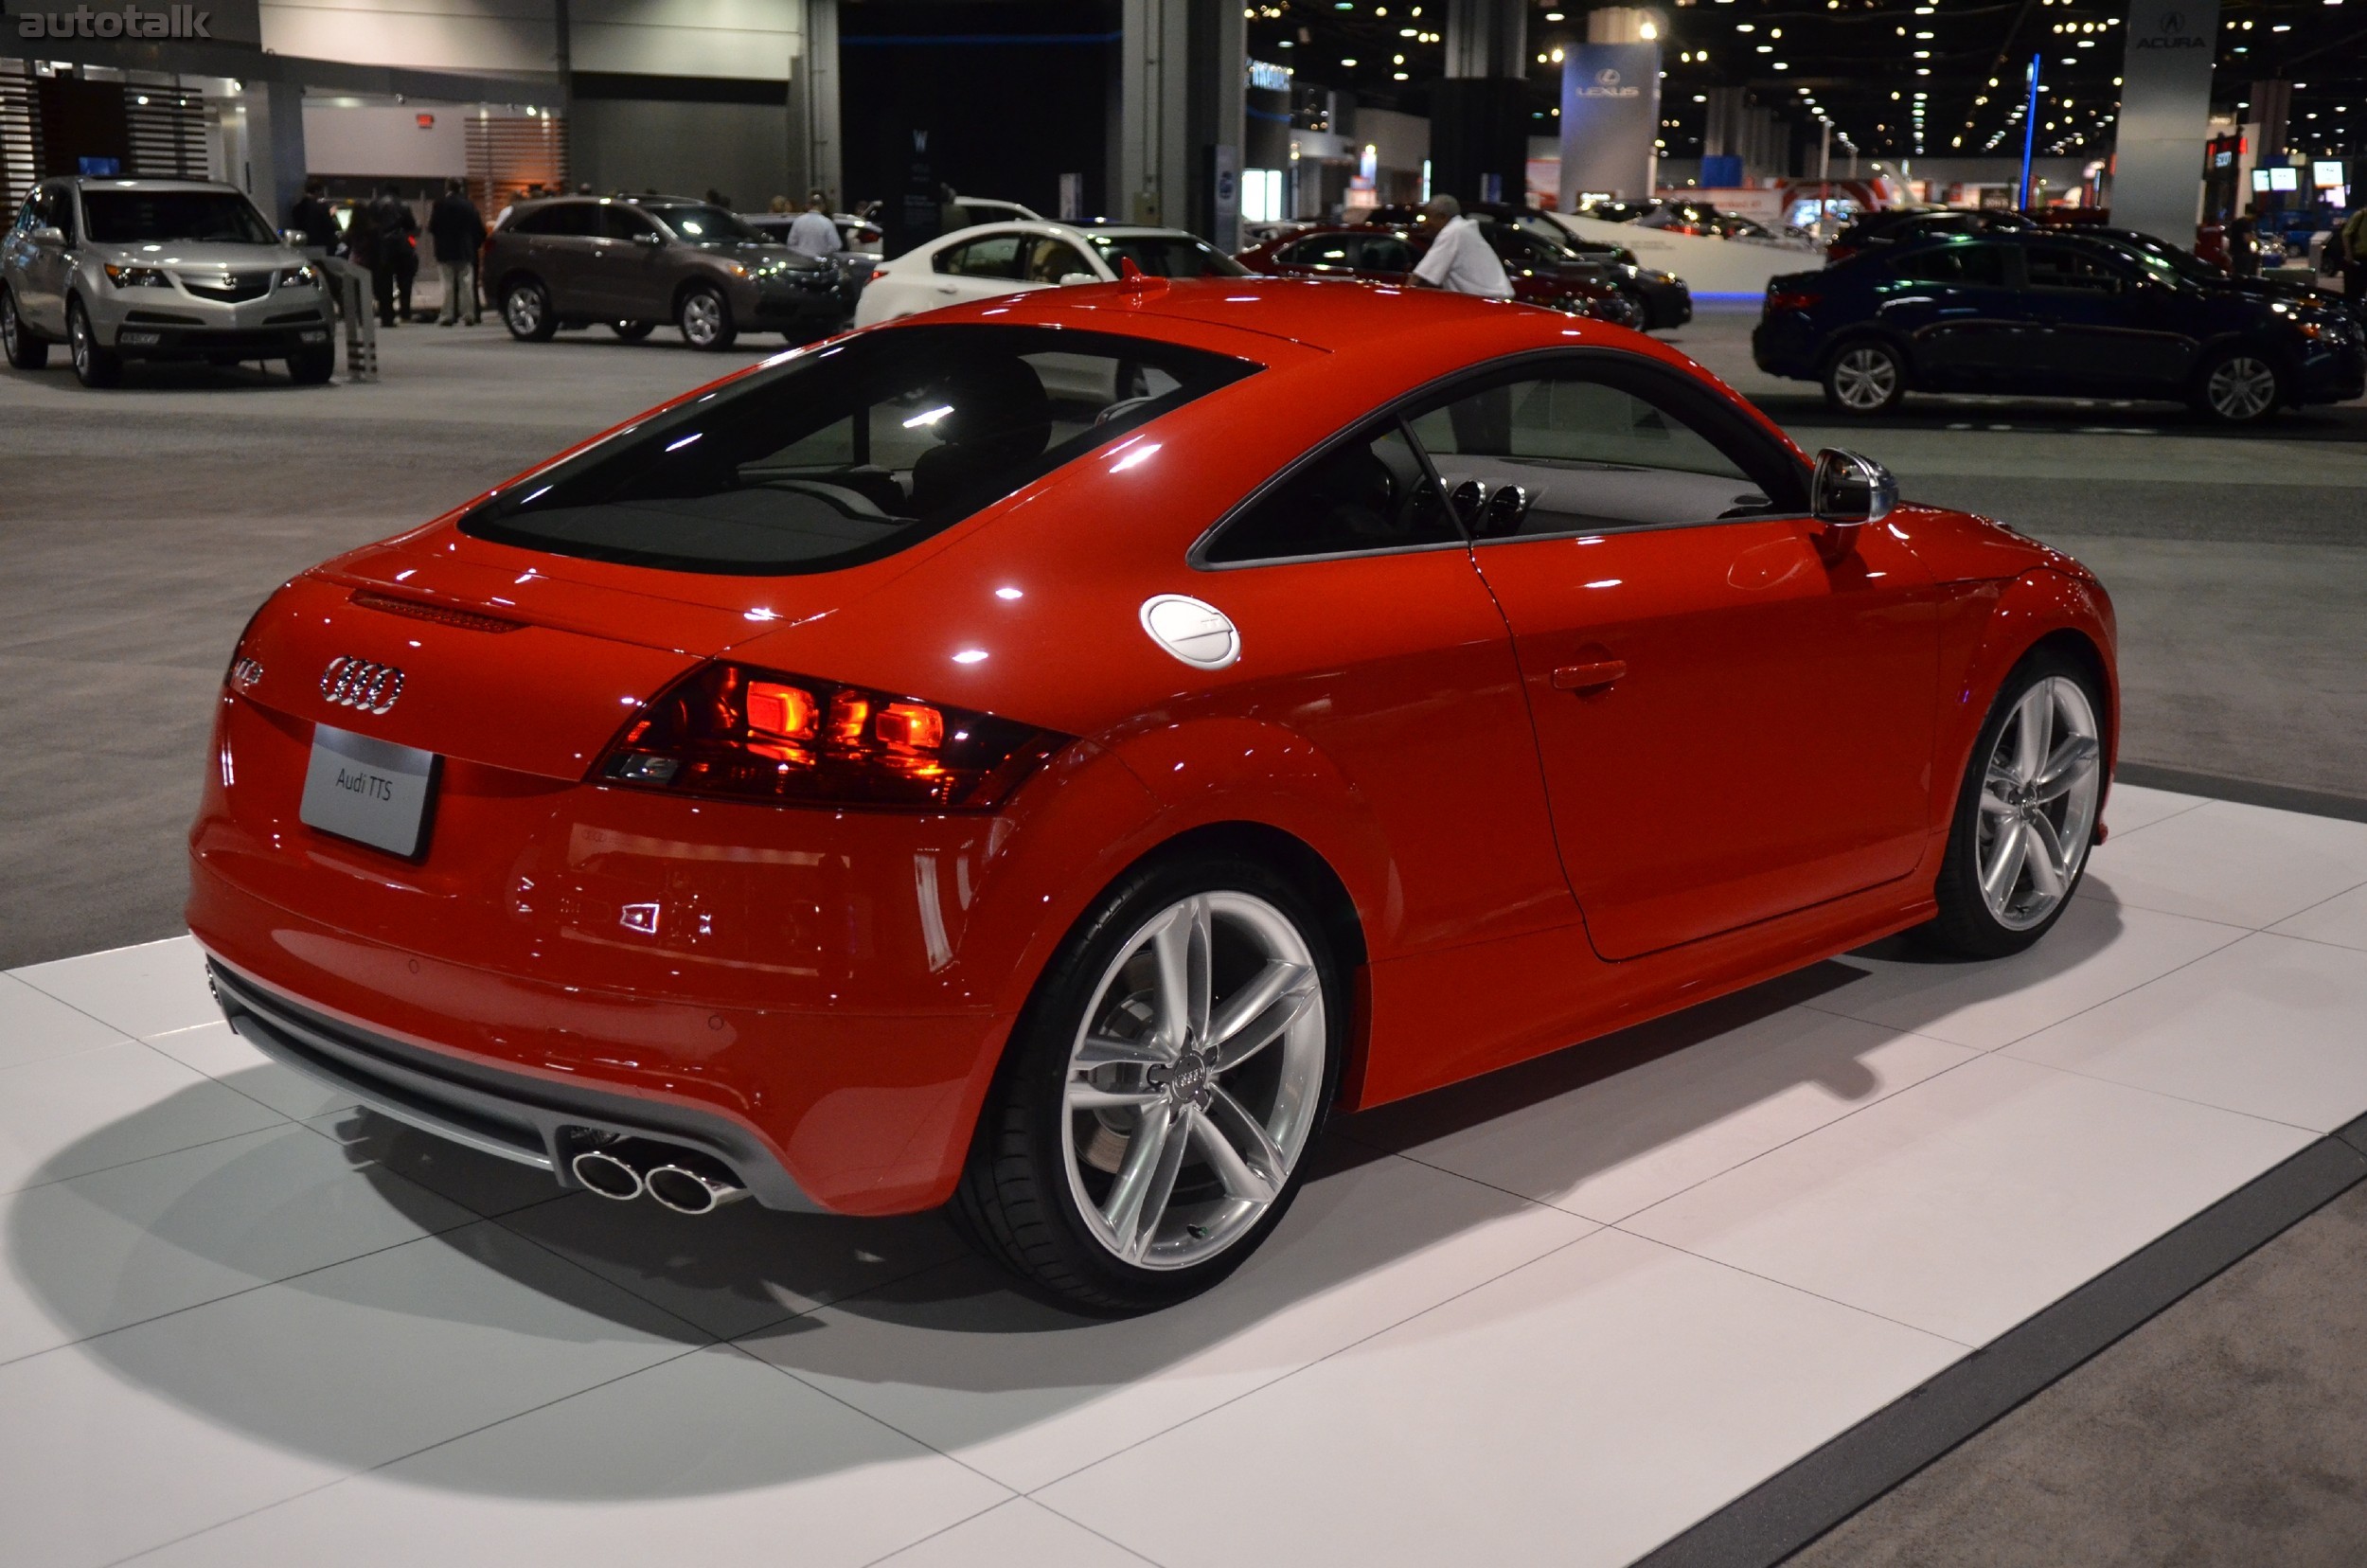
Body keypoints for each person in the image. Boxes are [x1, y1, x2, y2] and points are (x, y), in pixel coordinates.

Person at [1409, 194, 1513, 298]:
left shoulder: (1453, 231)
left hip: (1487, 303)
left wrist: (1406, 299)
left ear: (1442, 217)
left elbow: (1419, 278)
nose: (1424, 224)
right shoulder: (1463, 229)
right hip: (1493, 301)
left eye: (1428, 217)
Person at [428, 178, 485, 327]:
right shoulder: (468, 205)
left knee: (447, 284)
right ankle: (469, 315)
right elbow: (478, 228)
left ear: (447, 188)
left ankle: (447, 315)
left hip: (445, 250)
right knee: (466, 284)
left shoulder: (439, 204)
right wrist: (475, 244)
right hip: (465, 250)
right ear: (461, 188)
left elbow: (432, 227)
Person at [365, 183, 417, 326]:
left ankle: (387, 316)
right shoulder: (404, 205)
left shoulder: (375, 204)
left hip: (382, 247)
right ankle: (405, 313)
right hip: (402, 247)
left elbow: (369, 225)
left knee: (384, 283)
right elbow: (411, 225)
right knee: (405, 282)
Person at [786, 190, 843, 258]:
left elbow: (790, 243)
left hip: (801, 260)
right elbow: (836, 245)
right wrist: (824, 253)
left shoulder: (798, 221)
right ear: (822, 206)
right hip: (819, 260)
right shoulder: (827, 223)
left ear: (808, 206)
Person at [287, 179, 336, 252]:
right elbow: (329, 227)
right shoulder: (321, 208)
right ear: (317, 191)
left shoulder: (297, 208)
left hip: (303, 245)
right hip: (320, 246)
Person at [2338, 202, 2367, 320]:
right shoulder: (2361, 215)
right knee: (2353, 294)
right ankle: (2350, 318)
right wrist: (2349, 255)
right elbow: (2346, 234)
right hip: (2357, 259)